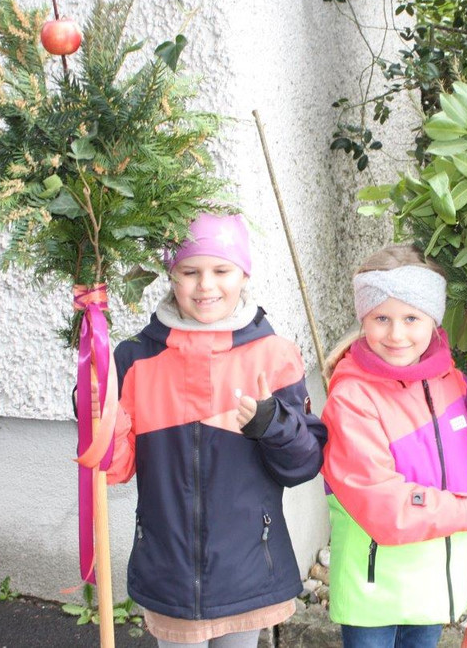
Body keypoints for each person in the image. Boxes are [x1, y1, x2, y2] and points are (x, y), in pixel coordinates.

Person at [106, 213, 327, 648]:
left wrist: (272, 425)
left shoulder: (274, 354)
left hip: (249, 568)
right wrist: (99, 414)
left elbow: (303, 465)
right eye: (190, 272)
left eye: (221, 270)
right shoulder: (135, 358)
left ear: (244, 274)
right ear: (171, 276)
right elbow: (114, 468)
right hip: (169, 569)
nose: (205, 285)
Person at [320, 244, 467, 648]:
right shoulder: (352, 398)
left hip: (433, 589)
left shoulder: (448, 380)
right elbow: (384, 505)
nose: (396, 334)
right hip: (376, 593)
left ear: (433, 318)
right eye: (381, 318)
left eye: (411, 318)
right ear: (363, 319)